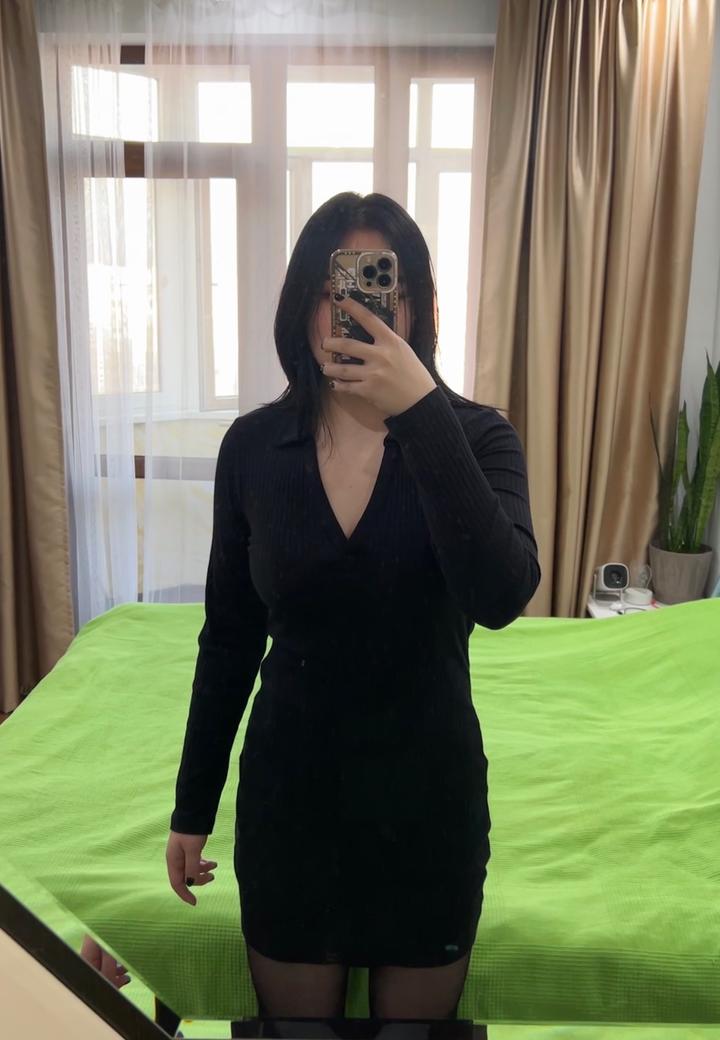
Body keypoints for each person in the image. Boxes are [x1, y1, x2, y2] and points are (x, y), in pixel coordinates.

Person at [165, 192, 541, 1027]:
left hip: (428, 808)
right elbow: (228, 637)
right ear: (305, 305)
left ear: (415, 307)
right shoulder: (254, 449)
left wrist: (421, 414)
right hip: (291, 808)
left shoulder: (479, 437)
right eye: (335, 289)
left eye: (380, 288)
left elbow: (502, 595)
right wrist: (193, 807)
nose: (356, 310)